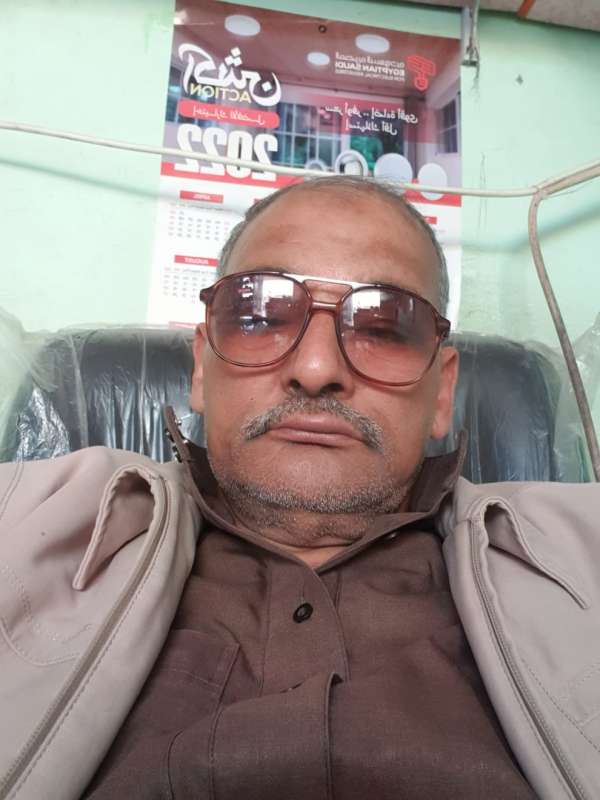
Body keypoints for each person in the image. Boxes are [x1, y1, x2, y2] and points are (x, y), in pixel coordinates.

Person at [2, 177, 600, 800]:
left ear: (442, 391)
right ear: (202, 368)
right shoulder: (25, 521)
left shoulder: (583, 551)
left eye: (383, 327)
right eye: (259, 316)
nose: (316, 369)